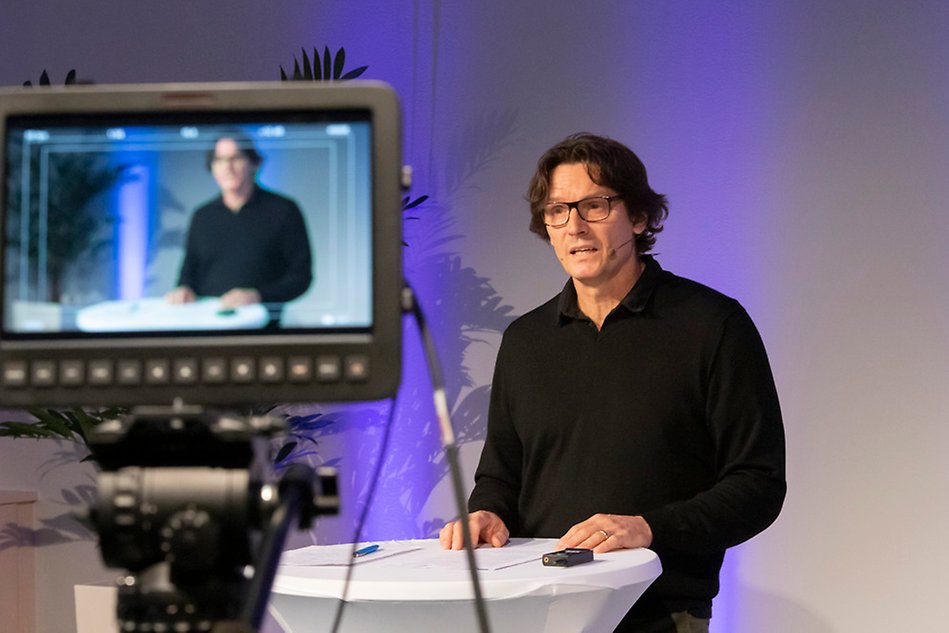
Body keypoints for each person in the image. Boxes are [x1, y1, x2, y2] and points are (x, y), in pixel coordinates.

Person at [439, 133, 786, 633]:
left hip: (659, 612)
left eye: (595, 205)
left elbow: (758, 484)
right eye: (558, 210)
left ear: (640, 218)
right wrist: (488, 513)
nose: (574, 225)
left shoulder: (712, 325)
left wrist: (649, 529)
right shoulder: (525, 340)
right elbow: (500, 476)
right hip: (534, 608)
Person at [166, 132, 313, 319]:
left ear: (253, 163)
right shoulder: (202, 216)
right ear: (211, 167)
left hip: (261, 328)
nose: (227, 168)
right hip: (206, 325)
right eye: (219, 160)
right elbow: (188, 273)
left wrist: (257, 295)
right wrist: (184, 289)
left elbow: (300, 277)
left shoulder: (283, 210)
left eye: (236, 158)